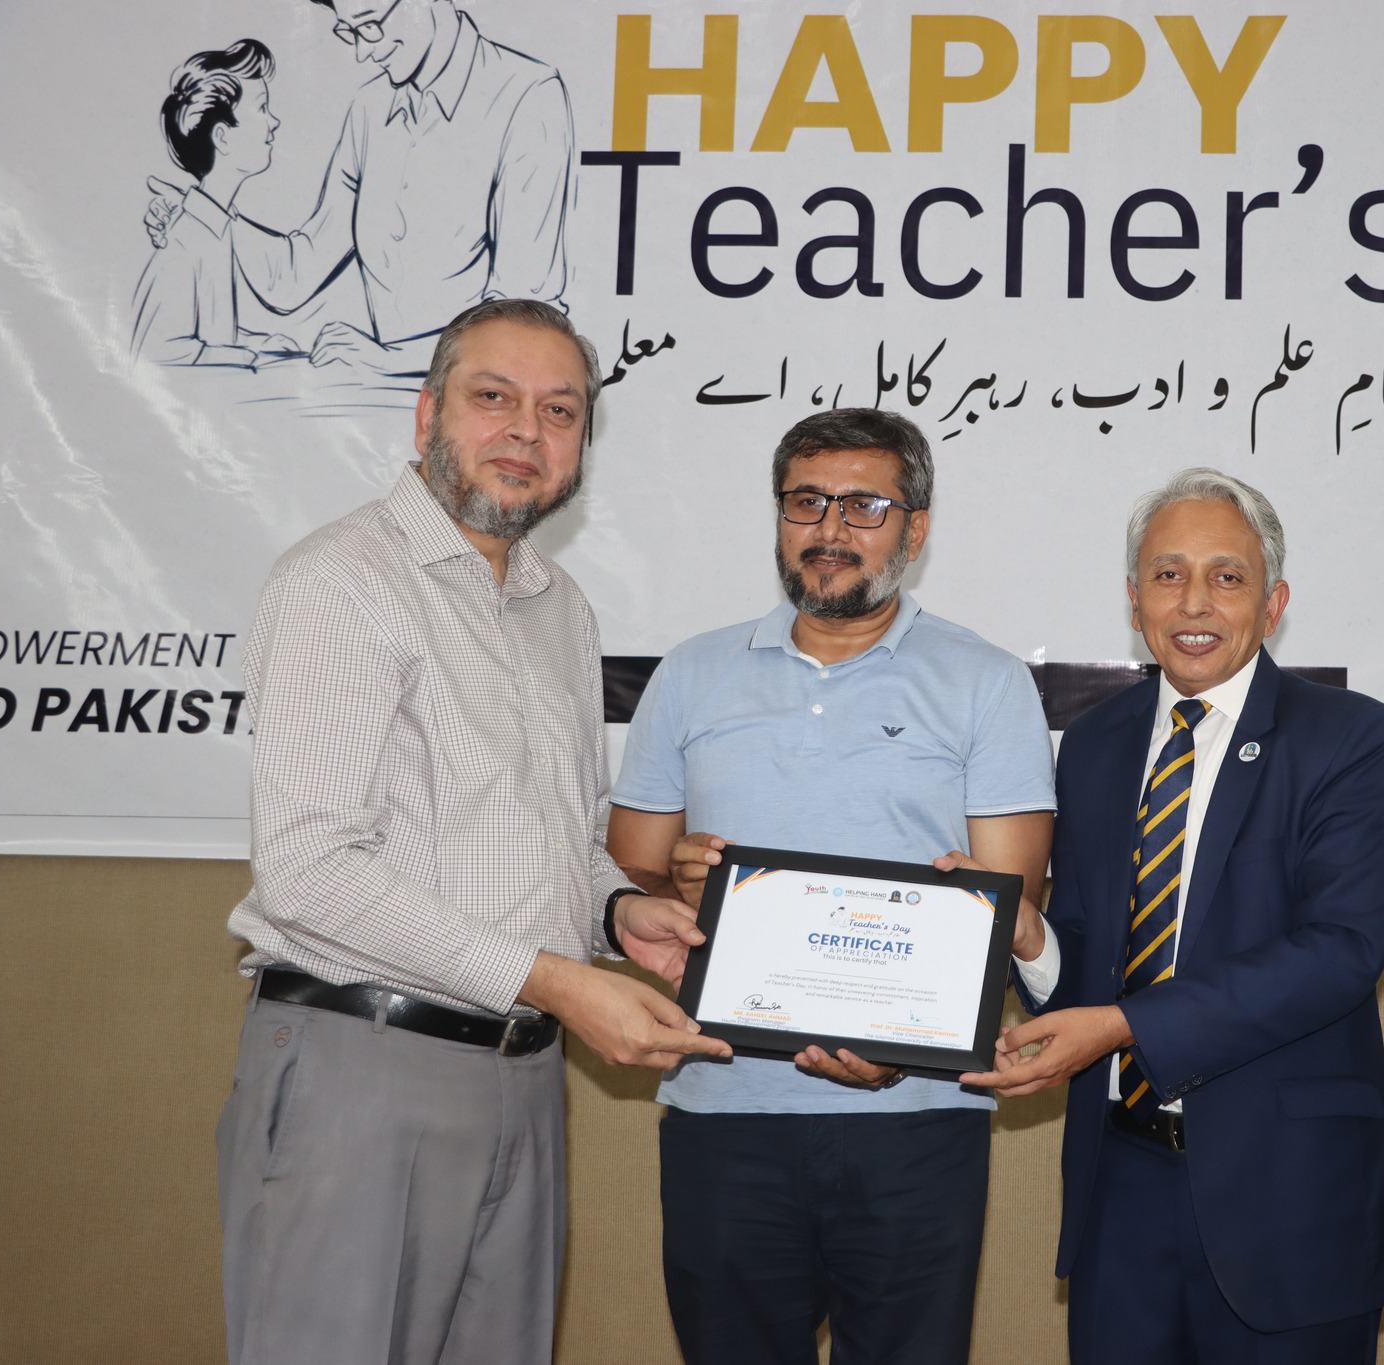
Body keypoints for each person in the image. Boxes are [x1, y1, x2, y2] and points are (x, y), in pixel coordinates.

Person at [218, 297, 728, 1365]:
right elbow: (309, 870)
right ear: (426, 415)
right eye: (494, 397)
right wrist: (555, 981)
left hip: (524, 1078)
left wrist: (617, 913)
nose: (525, 432)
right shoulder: (341, 581)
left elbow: (556, 839)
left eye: (560, 410)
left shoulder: (559, 607)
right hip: (362, 1071)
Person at [605, 409, 1056, 1365]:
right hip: (723, 1105)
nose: (830, 529)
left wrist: (900, 1043)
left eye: (865, 506)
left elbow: (1012, 901)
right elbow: (629, 866)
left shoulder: (986, 681)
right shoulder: (692, 672)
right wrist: (678, 864)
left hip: (917, 1121)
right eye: (806, 502)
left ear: (915, 529)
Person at [955, 467, 1384, 1364]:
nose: (1194, 601)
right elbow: (1089, 959)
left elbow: (1339, 952)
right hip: (1121, 1187)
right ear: (1135, 601)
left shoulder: (1350, 737)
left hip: (1286, 1195)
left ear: (1273, 603)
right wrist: (1029, 936)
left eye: (1226, 576)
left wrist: (1124, 1025)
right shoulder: (1096, 743)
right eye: (1168, 575)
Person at [147, 0, 574, 375]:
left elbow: (523, 322)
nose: (362, 52)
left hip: (483, 407)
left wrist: (390, 360)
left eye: (370, 26)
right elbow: (295, 275)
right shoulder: (371, 108)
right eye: (347, 32)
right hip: (381, 401)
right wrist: (203, 214)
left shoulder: (528, 95)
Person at [129, 39, 298, 368]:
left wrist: (257, 342)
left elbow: (209, 334)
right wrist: (248, 356)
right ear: (222, 137)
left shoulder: (216, 227)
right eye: (262, 108)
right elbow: (159, 351)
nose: (273, 122)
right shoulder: (186, 238)